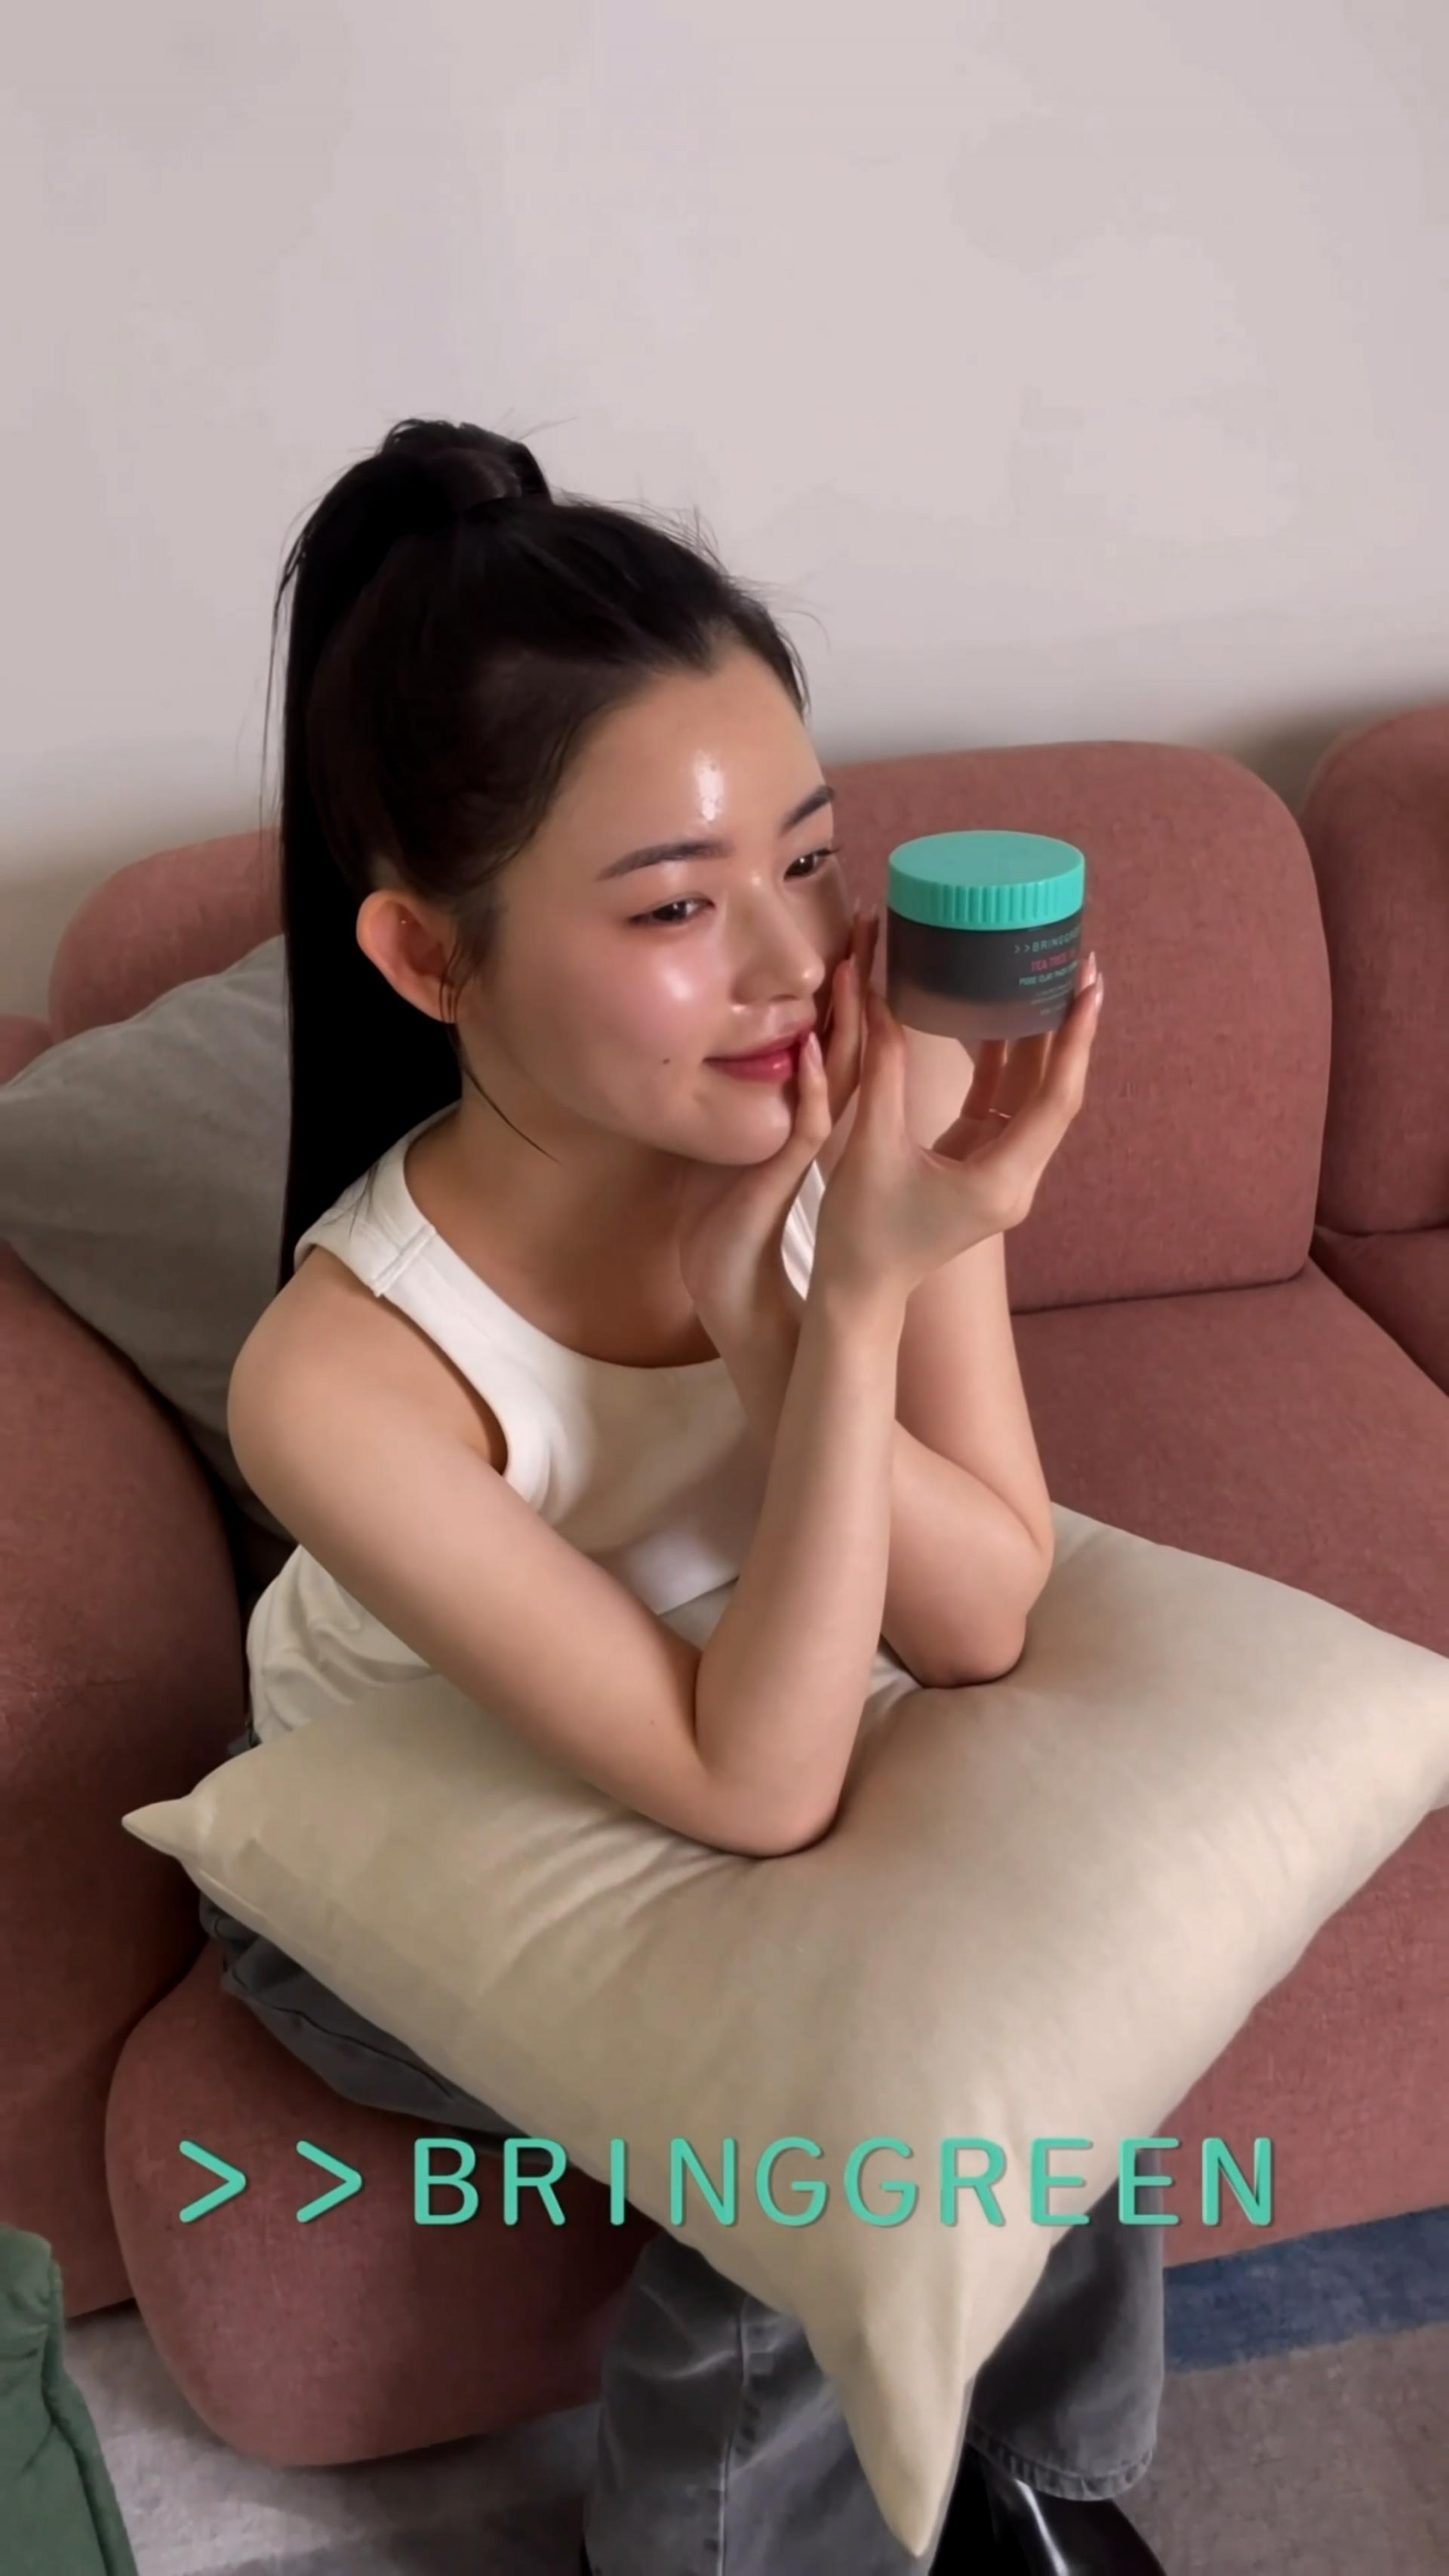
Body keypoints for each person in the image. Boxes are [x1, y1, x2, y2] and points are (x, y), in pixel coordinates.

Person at [203, 415, 1168, 2575]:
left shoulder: (867, 1100)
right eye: (670, 904)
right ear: (428, 964)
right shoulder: (337, 1379)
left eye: (809, 858)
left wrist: (794, 1313)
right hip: (406, 1842)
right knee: (820, 2131)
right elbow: (759, 1791)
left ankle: (1024, 2460)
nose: (791, 961)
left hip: (747, 1714)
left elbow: (983, 1615)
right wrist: (851, 1312)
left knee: (1051, 1945)